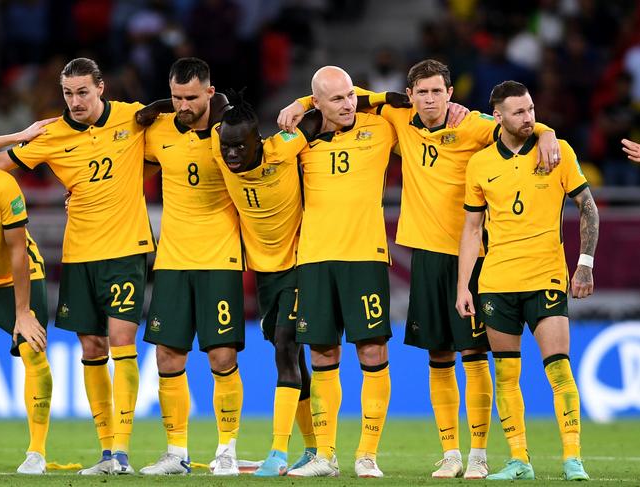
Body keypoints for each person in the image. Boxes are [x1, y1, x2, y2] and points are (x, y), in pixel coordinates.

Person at [278, 59, 561, 479]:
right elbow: (359, 96)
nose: (430, 99)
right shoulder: (395, 116)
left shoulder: (473, 125)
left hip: (472, 256)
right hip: (425, 256)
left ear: (451, 93)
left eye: (437, 91)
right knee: (438, 356)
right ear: (410, 96)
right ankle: (449, 454)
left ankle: (479, 454)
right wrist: (301, 103)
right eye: (422, 92)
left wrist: (548, 133)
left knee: (474, 355)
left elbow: (515, 122)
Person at [0, 57, 155, 475]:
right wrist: (22, 135)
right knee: (91, 347)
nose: (75, 101)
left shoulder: (132, 117)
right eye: (68, 93)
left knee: (121, 341)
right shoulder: (52, 135)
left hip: (125, 249)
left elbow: (180, 124)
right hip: (79, 252)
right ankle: (105, 454)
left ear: (101, 88)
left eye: (83, 91)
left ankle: (121, 451)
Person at [456, 80, 598, 481]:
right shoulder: (480, 163)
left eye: (531, 109)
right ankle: (519, 459)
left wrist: (584, 263)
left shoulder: (557, 150)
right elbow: (471, 229)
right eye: (519, 112)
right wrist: (463, 285)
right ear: (497, 116)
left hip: (546, 275)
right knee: (506, 374)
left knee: (559, 368)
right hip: (497, 282)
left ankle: (573, 458)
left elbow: (588, 208)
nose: (529, 118)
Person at [275, 66, 396, 479]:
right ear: (319, 103)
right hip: (313, 259)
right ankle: (325, 456)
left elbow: (400, 98)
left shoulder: (380, 128)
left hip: (364, 256)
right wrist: (302, 108)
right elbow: (261, 161)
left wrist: (304, 101)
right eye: (337, 99)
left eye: (350, 96)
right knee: (323, 354)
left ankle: (367, 454)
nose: (348, 105)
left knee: (372, 353)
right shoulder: (301, 141)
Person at [139, 58, 245, 477]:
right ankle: (175, 451)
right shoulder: (159, 131)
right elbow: (125, 163)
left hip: (220, 257)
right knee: (168, 356)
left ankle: (227, 448)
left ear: (209, 92)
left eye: (190, 97)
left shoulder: (231, 134)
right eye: (176, 97)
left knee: (221, 356)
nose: (182, 105)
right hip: (172, 260)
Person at [211, 89, 322, 477]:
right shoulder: (219, 141)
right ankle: (313, 450)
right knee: (294, 357)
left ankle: (277, 452)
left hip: (298, 263)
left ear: (258, 142)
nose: (231, 155)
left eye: (240, 147)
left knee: (285, 348)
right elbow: (216, 99)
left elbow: (330, 104)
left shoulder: (285, 146)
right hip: (263, 272)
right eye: (226, 147)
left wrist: (301, 103)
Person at [0, 121, 56, 474]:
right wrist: (17, 136)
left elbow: (17, 251)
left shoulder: (1, 185)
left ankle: (36, 453)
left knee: (33, 351)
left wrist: (22, 313)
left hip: (15, 278)